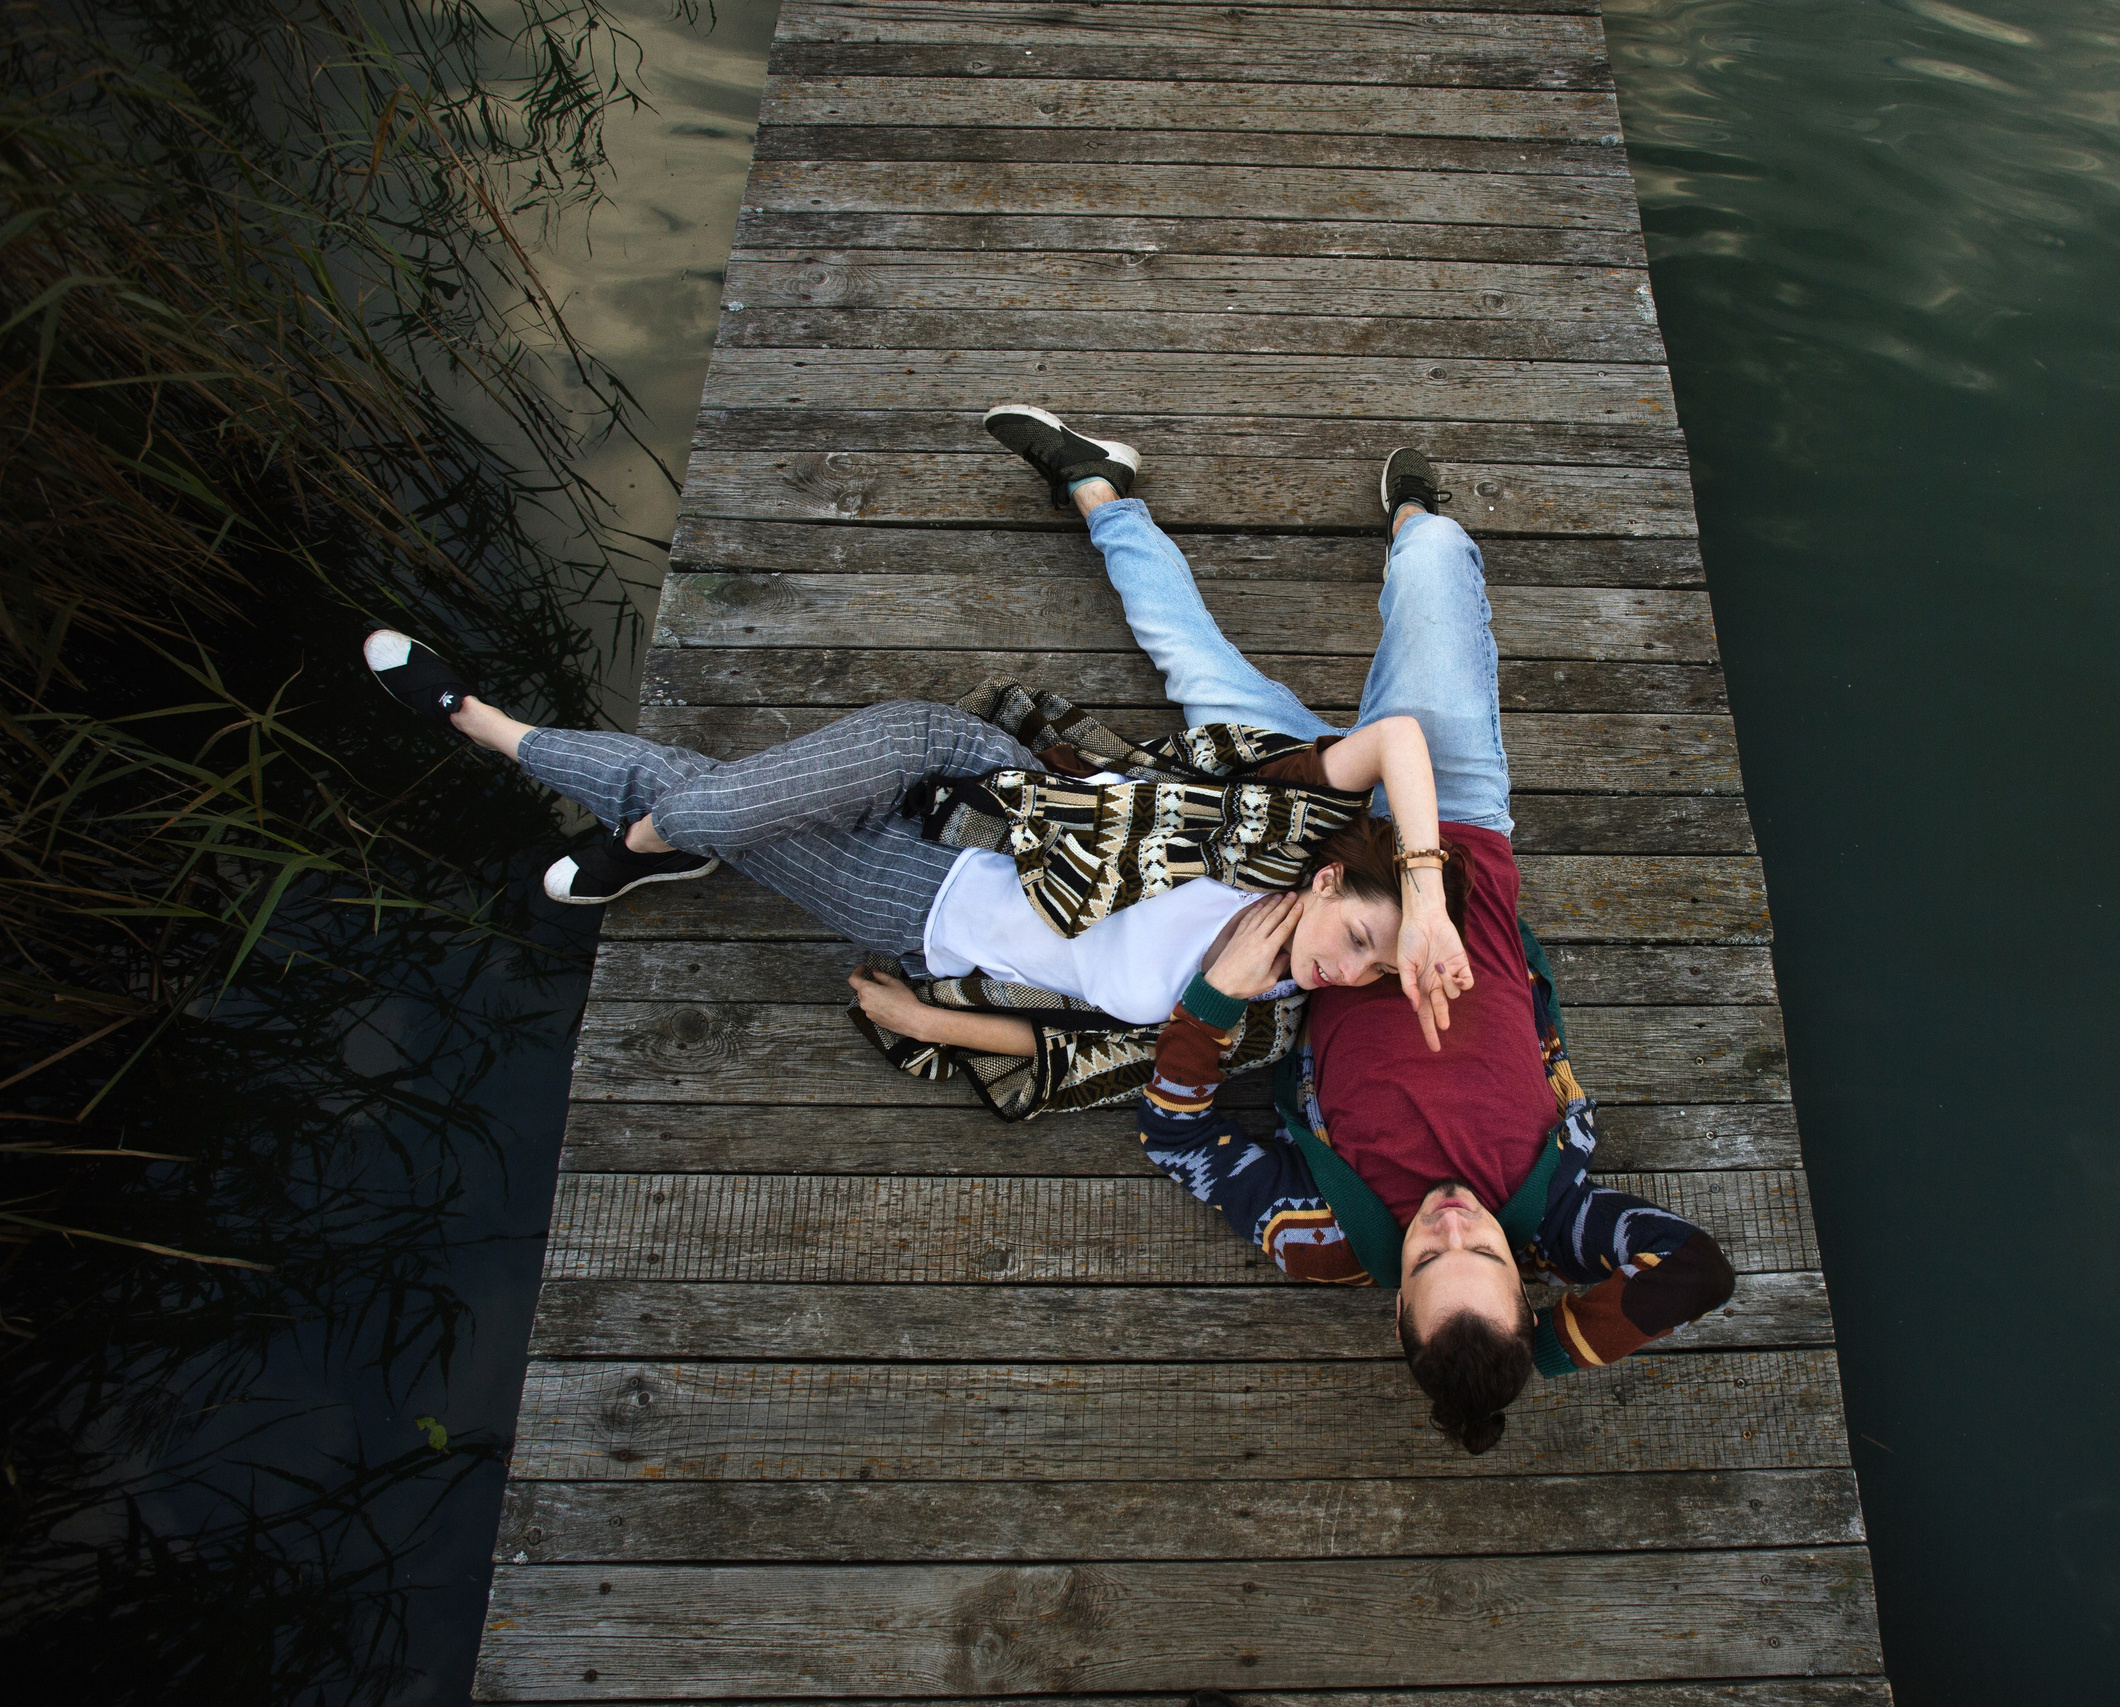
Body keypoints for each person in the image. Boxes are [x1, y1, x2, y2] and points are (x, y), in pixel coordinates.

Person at [929, 421, 1739, 1456]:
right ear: (1524, 1282)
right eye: (1482, 1256)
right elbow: (1698, 1274)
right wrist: (1524, 1358)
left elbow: (1176, 1134)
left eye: (1427, 1258)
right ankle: (1407, 518)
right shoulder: (1563, 1216)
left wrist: (1217, 999)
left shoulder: (1323, 1238)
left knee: (1185, 655)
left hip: (1298, 859)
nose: (1451, 1223)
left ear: (1396, 1302)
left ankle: (1098, 484)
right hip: (1453, 814)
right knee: (1436, 554)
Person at [357, 406, 1472, 1100]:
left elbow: (1084, 1059)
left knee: (710, 799)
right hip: (976, 781)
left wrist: (929, 1019)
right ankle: (637, 827)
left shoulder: (1260, 1031)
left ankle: (502, 735)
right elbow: (1399, 741)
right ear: (1336, 881)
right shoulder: (1285, 841)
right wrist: (1419, 898)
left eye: (1372, 971)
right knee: (737, 804)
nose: (1351, 968)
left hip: (916, 905)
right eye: (1361, 935)